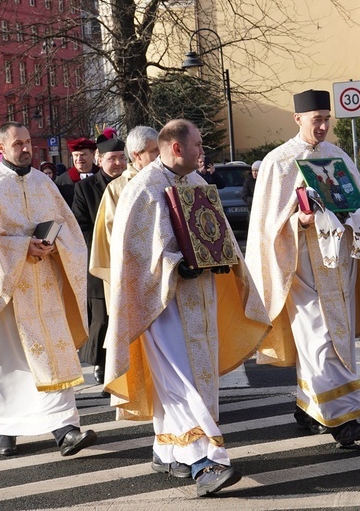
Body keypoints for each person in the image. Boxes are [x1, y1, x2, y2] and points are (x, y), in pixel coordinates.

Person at [103, 118, 270, 497]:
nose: (202, 151)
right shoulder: (143, 189)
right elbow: (134, 254)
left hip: (202, 299)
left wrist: (224, 257)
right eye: (197, 144)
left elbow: (218, 235)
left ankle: (167, 450)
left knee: (194, 379)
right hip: (162, 304)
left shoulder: (196, 184)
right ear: (176, 148)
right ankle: (204, 461)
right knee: (181, 380)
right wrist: (177, 264)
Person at [245, 89, 360, 446]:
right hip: (300, 267)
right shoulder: (278, 162)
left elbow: (358, 199)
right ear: (298, 119)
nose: (324, 126)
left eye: (327, 119)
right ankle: (344, 417)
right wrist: (298, 221)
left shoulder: (337, 156)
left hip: (339, 263)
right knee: (318, 337)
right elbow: (268, 226)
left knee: (336, 337)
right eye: (317, 120)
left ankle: (310, 406)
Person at [0, 122, 96, 457]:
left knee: (54, 354)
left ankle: (66, 429)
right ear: (2, 149)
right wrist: (24, 246)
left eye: (28, 142)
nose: (25, 148)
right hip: (6, 289)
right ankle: (7, 430)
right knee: (9, 363)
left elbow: (70, 232)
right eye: (17, 143)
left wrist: (52, 244)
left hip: (46, 285)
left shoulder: (43, 182)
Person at [72, 132, 127, 385]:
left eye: (121, 158)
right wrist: (107, 246)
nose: (118, 164)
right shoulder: (85, 188)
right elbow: (81, 225)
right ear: (99, 159)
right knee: (103, 319)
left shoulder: (132, 183)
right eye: (112, 159)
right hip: (100, 262)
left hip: (129, 263)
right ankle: (102, 365)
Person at [89, 125, 159, 305]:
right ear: (137, 154)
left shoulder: (162, 180)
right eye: (154, 151)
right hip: (134, 270)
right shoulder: (118, 188)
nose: (159, 155)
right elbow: (114, 234)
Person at [55, 137, 99, 206]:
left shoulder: (102, 176)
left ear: (93, 155)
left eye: (83, 154)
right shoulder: (62, 182)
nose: (79, 159)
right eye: (76, 155)